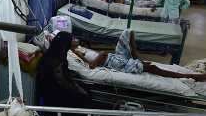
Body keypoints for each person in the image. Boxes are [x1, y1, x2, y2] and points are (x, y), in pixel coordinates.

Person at [73, 30, 206, 81]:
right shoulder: (75, 53)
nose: (76, 39)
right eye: (72, 39)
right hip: (116, 63)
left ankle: (136, 56)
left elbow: (99, 56)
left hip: (114, 56)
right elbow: (91, 65)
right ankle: (190, 76)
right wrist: (100, 55)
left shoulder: (80, 48)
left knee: (127, 32)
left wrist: (101, 54)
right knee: (153, 68)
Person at [36, 31, 93, 116]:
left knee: (86, 90)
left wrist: (75, 83)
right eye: (71, 40)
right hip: (55, 95)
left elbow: (62, 75)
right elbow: (61, 81)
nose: (72, 42)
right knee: (83, 97)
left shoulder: (56, 53)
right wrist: (77, 89)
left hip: (57, 89)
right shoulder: (56, 58)